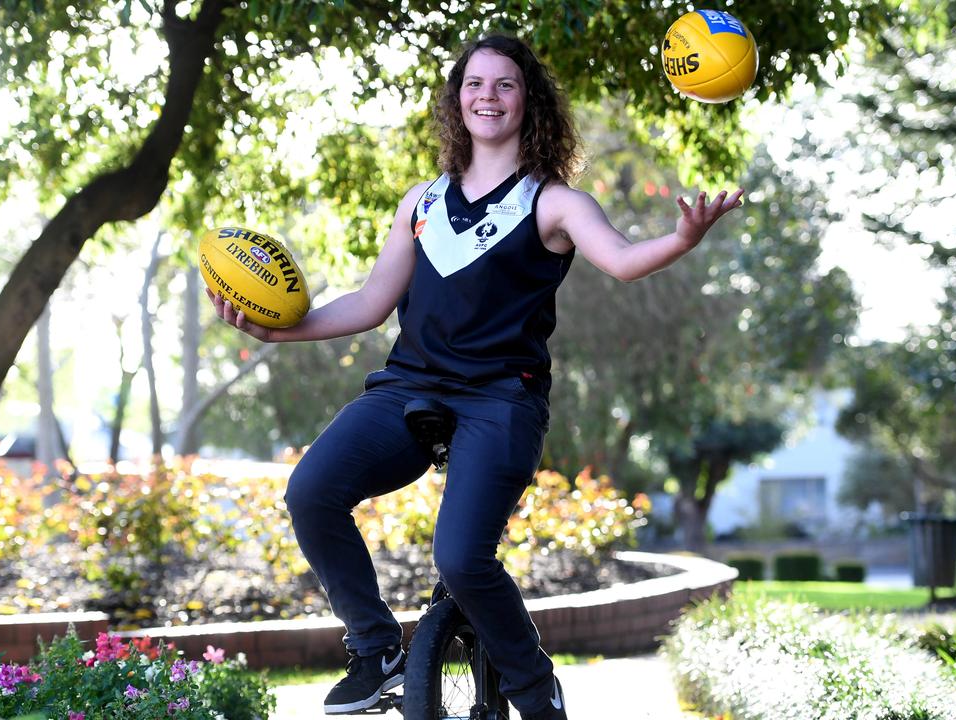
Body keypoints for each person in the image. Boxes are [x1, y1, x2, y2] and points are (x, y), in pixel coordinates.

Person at [207, 34, 743, 720]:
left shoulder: (552, 202)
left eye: (505, 84)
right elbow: (371, 304)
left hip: (500, 399)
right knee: (311, 491)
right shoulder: (422, 203)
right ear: (457, 101)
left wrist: (682, 239)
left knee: (462, 560)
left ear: (530, 103)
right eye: (475, 84)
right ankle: (375, 648)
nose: (487, 95)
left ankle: (531, 687)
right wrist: (276, 330)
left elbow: (624, 259)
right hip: (408, 387)